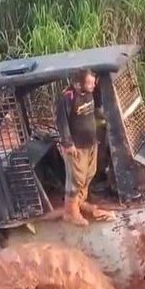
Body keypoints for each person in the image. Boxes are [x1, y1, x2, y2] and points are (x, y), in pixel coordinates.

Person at [55, 69, 114, 226]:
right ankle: (71, 212)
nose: (92, 86)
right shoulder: (68, 97)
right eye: (89, 83)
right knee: (76, 179)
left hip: (90, 144)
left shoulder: (90, 93)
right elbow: (62, 122)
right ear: (78, 83)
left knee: (89, 174)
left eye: (93, 83)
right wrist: (68, 144)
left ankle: (80, 202)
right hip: (77, 147)